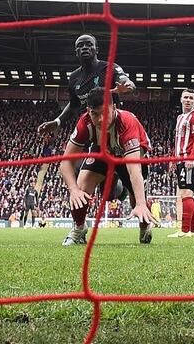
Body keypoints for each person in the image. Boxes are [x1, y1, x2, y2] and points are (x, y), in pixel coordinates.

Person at [36, 34, 134, 210]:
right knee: (84, 182)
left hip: (118, 137)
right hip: (95, 138)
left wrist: (126, 86)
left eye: (89, 45)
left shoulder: (109, 68)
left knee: (111, 194)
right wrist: (57, 122)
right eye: (80, 46)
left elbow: (125, 80)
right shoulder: (74, 78)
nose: (84, 48)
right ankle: (79, 227)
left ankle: (121, 187)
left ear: (97, 49)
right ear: (76, 52)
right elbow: (73, 105)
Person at [59, 87, 159, 246]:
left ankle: (145, 226)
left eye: (104, 113)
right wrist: (73, 190)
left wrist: (140, 204)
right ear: (88, 111)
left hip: (130, 155)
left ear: (114, 107)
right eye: (95, 114)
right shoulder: (85, 123)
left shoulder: (126, 123)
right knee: (81, 187)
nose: (100, 120)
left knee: (137, 199)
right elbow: (65, 163)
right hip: (103, 152)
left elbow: (134, 170)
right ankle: (79, 227)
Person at [168, 88, 194, 239]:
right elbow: (177, 140)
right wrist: (173, 158)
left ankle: (184, 230)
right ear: (181, 99)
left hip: (189, 159)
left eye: (191, 98)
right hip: (181, 159)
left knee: (185, 193)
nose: (188, 100)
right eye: (186, 97)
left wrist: (191, 157)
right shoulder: (180, 118)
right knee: (189, 193)